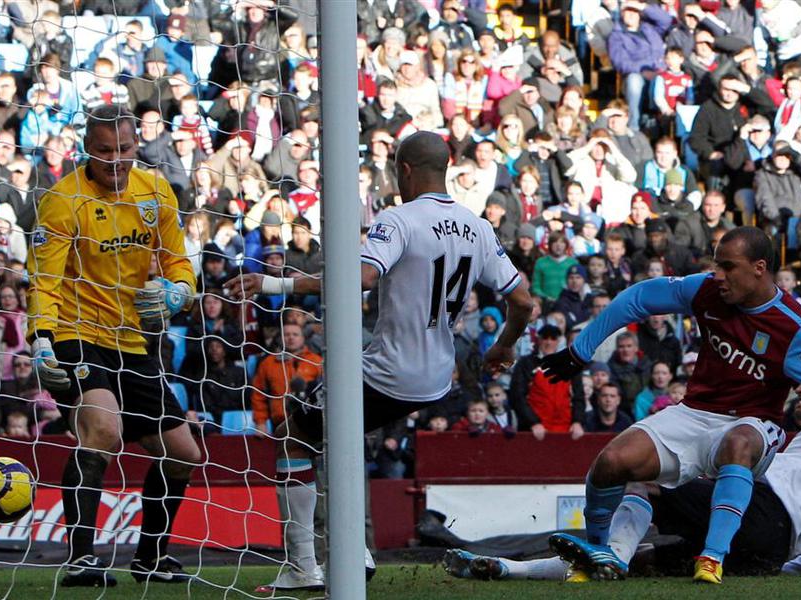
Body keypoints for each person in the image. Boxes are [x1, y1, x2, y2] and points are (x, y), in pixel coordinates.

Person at [225, 131, 534, 591]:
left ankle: (312, 563)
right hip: (435, 378)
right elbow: (524, 300)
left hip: (390, 372)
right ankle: (349, 551)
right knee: (331, 436)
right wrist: (504, 346)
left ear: (403, 170)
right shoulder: (478, 227)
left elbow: (362, 277)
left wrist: (276, 286)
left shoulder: (399, 220)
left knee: (294, 437)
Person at [538, 226, 801, 584]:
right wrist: (581, 349)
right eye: (717, 265)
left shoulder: (798, 328)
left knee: (738, 442)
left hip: (754, 423)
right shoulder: (706, 289)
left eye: (728, 266)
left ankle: (712, 558)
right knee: (611, 463)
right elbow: (640, 297)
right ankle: (597, 553)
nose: (718, 274)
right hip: (693, 413)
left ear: (759, 267)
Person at [446, 361, 801, 582]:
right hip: (771, 551)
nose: (800, 391)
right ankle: (506, 569)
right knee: (644, 564)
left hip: (764, 512)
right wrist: (781, 568)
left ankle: (611, 551)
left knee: (640, 481)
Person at [26, 105, 200, 587]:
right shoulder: (64, 201)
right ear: (88, 149)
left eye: (125, 149)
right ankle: (81, 558)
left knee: (182, 453)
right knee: (102, 428)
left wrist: (178, 292)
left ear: (136, 146)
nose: (116, 161)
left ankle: (149, 558)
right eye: (105, 152)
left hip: (132, 338)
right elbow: (43, 280)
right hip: (74, 332)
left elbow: (178, 262)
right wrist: (40, 339)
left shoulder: (155, 191)